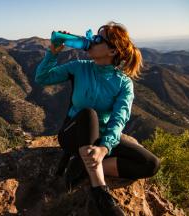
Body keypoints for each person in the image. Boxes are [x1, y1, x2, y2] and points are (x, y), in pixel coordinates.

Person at [35, 21, 160, 216]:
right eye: (94, 37)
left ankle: (85, 167)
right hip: (73, 134)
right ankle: (100, 191)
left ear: (112, 50)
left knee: (151, 164)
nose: (92, 41)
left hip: (100, 138)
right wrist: (53, 52)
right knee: (88, 114)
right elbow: (42, 78)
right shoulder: (79, 67)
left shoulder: (123, 83)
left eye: (98, 39)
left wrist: (104, 147)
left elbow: (119, 118)